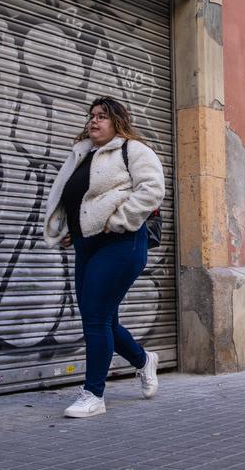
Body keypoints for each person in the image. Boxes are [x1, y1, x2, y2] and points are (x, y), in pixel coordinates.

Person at [43, 96, 165, 417]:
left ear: (118, 122)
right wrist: (71, 227)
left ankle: (94, 394)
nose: (94, 122)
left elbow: (152, 189)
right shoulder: (82, 154)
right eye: (92, 116)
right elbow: (73, 198)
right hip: (87, 245)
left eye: (103, 117)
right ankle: (143, 359)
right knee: (102, 318)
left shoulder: (133, 150)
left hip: (122, 243)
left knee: (95, 316)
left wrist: (118, 220)